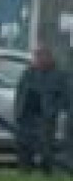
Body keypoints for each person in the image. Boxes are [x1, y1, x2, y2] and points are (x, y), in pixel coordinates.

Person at [14, 46, 70, 174]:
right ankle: (24, 173)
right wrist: (18, 113)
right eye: (36, 56)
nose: (37, 59)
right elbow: (20, 92)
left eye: (40, 56)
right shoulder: (28, 73)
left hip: (45, 118)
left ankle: (47, 174)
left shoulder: (59, 75)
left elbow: (65, 98)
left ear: (49, 58)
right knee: (24, 147)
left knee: (45, 148)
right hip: (26, 117)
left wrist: (53, 110)